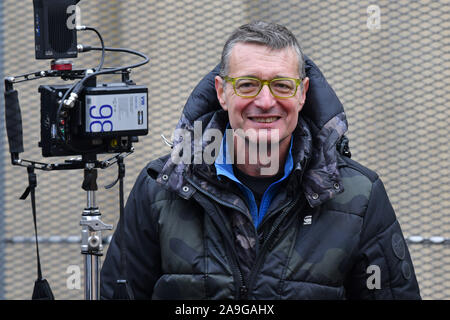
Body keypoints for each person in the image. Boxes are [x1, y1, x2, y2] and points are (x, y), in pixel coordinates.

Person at [100, 21, 421, 299]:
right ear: (222, 92)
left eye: (282, 85)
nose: (265, 101)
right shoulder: (161, 187)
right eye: (248, 84)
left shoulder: (359, 197)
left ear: (302, 93)